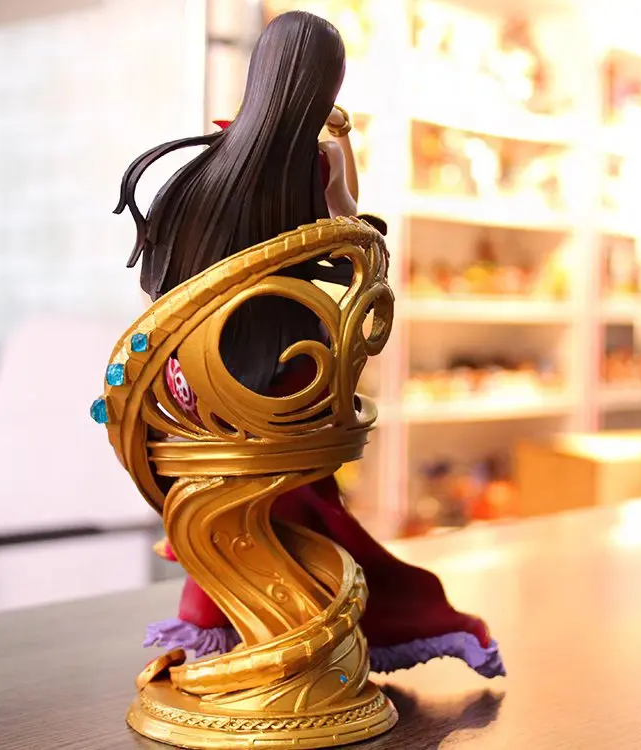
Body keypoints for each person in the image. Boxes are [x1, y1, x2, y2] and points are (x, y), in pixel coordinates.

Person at [113, 10, 504, 678]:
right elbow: (350, 225)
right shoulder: (316, 158)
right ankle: (311, 626)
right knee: (297, 504)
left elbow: (161, 280)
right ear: (327, 85)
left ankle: (234, 624)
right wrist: (341, 139)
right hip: (284, 371)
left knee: (245, 496)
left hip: (192, 379)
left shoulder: (207, 159)